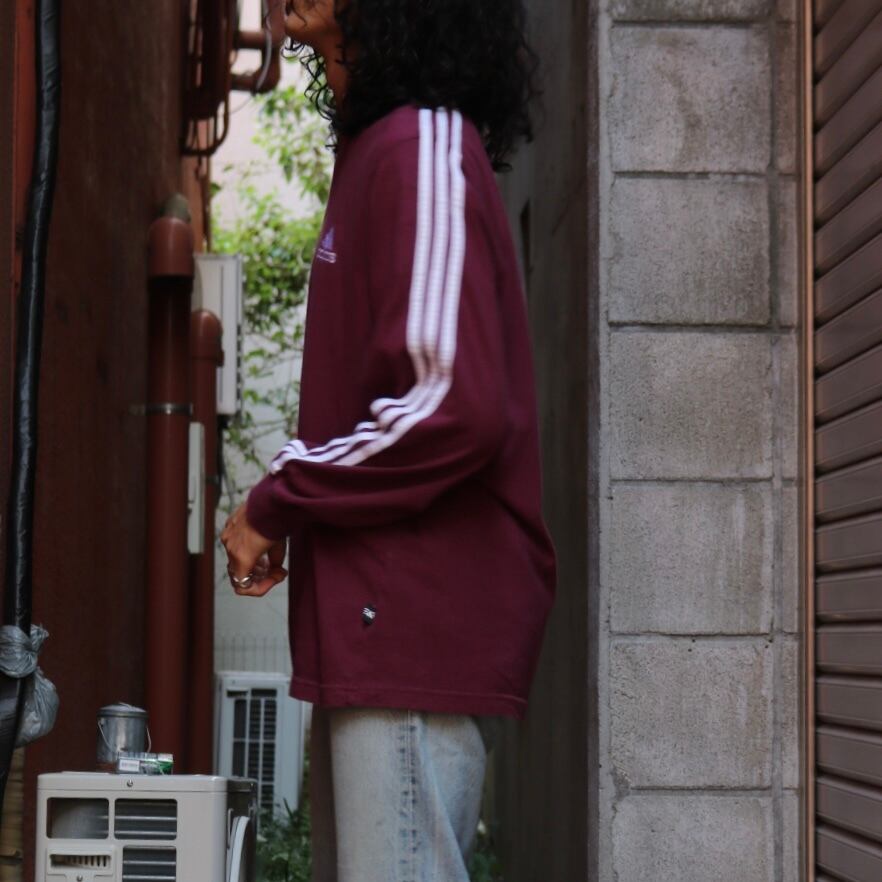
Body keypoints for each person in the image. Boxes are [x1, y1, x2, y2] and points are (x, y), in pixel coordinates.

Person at [220, 1, 557, 879]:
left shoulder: (422, 145)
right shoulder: (380, 148)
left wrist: (279, 498)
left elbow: (448, 402)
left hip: (413, 622)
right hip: (377, 628)